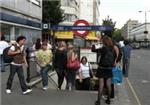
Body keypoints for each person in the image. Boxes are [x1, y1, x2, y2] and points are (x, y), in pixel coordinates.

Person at [92, 36, 115, 105]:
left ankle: (98, 101)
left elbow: (93, 50)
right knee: (108, 85)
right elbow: (115, 57)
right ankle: (108, 100)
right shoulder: (112, 49)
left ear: (104, 41)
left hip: (102, 68)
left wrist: (94, 44)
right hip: (109, 68)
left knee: (101, 84)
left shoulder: (103, 48)